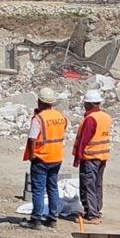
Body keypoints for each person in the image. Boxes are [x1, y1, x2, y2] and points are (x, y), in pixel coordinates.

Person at [24, 87, 68, 229]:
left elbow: (32, 139)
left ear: (40, 102)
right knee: (53, 188)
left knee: (38, 190)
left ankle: (36, 220)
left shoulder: (39, 118)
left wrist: (31, 155)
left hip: (41, 157)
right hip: (56, 157)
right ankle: (52, 218)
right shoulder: (60, 116)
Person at [73, 89, 112, 225]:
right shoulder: (105, 117)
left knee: (88, 185)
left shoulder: (90, 119)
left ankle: (92, 215)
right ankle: (96, 210)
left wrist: (77, 158)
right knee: (97, 185)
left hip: (90, 157)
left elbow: (84, 140)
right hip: (102, 156)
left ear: (87, 104)